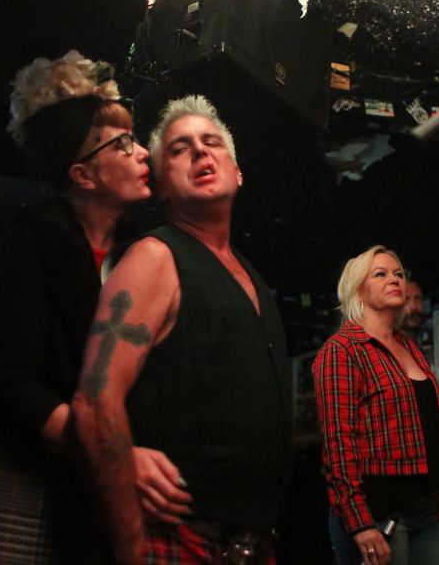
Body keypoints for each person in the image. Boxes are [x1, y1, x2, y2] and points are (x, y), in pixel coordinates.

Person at [0, 51, 190, 564]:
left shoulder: (139, 251)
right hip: (19, 478)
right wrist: (113, 453)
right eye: (122, 144)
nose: (141, 153)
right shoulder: (32, 239)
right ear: (83, 174)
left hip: (90, 485)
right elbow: (16, 383)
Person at [71, 95, 292, 564]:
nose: (199, 151)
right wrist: (130, 544)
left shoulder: (253, 277)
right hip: (176, 536)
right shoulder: (155, 256)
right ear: (162, 186)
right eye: (179, 148)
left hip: (251, 541)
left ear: (237, 172)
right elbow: (94, 401)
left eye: (212, 142)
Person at [313, 246, 439, 565]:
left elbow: (428, 421)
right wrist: (359, 522)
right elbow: (338, 443)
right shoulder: (342, 350)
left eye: (398, 274)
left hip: (426, 505)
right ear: (357, 289)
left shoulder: (408, 344)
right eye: (380, 274)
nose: (394, 279)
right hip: (380, 512)